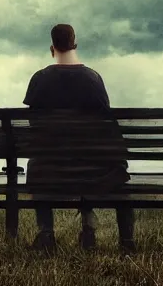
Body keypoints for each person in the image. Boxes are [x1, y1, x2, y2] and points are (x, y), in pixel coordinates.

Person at [22, 24, 135, 253]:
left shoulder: (40, 79)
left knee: (35, 166)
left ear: (52, 48)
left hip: (49, 172)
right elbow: (105, 125)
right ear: (75, 45)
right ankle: (117, 239)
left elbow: (35, 126)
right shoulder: (93, 79)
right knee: (102, 163)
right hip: (93, 171)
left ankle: (46, 234)